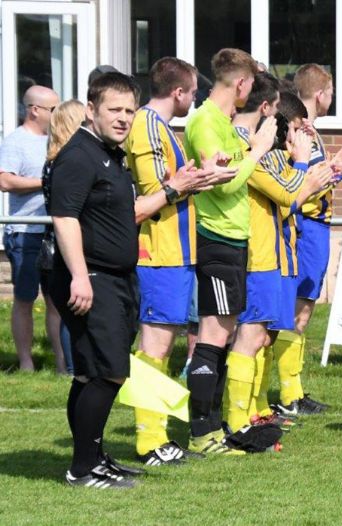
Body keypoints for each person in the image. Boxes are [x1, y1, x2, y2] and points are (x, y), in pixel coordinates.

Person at [126, 56, 237, 465]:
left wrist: (207, 173)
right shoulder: (146, 126)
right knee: (154, 345)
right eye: (192, 92)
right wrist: (192, 180)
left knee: (164, 343)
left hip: (178, 252)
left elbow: (178, 183)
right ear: (178, 92)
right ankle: (149, 438)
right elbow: (158, 192)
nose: (195, 98)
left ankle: (154, 435)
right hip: (160, 252)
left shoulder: (162, 128)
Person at [48, 73, 142, 488]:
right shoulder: (79, 156)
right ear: (91, 110)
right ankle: (82, 469)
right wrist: (81, 278)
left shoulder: (110, 154)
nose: (123, 118)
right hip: (92, 277)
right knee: (108, 373)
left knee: (90, 374)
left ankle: (94, 457)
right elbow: (64, 217)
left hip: (116, 276)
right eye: (114, 110)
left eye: (129, 111)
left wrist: (179, 188)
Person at [183, 48, 277, 455]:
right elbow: (222, 184)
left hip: (234, 240)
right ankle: (202, 431)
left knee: (221, 335)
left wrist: (246, 154)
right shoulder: (205, 122)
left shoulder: (221, 122)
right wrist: (257, 151)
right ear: (240, 83)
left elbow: (229, 171)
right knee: (213, 334)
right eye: (251, 84)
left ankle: (215, 427)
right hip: (215, 238)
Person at [226, 75, 332, 433]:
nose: (302, 136)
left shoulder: (271, 155)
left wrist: (333, 169)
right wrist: (304, 164)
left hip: (279, 253)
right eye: (299, 129)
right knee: (251, 336)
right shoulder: (254, 153)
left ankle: (255, 410)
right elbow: (291, 193)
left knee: (266, 335)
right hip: (261, 257)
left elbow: (293, 192)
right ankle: (239, 417)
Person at [273, 64, 342, 417]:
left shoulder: (308, 130)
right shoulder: (301, 132)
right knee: (297, 312)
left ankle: (294, 389)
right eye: (331, 91)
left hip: (314, 223)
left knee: (303, 310)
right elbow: (306, 180)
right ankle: (288, 394)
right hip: (307, 225)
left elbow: (317, 175)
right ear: (321, 93)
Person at [0, 85, 65, 372]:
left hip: (53, 232)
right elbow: (5, 181)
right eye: (54, 109)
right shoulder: (16, 141)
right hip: (25, 232)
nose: (57, 114)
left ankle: (63, 363)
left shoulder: (56, 140)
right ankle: (26, 362)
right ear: (34, 110)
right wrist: (46, 182)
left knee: (55, 300)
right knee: (25, 299)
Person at [40, 100, 87, 375]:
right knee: (74, 312)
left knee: (69, 312)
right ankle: (72, 367)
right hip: (63, 246)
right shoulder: (65, 163)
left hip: (53, 246)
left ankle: (70, 366)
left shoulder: (52, 162)